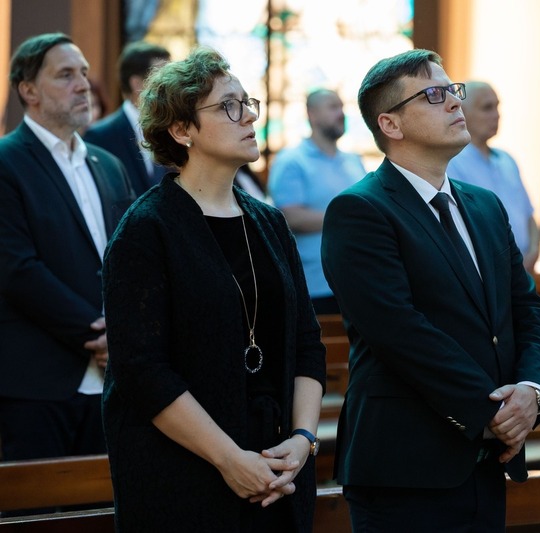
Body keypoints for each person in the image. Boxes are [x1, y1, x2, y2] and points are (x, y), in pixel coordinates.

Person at [321, 49, 540, 532]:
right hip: (407, 464)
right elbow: (399, 331)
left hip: (487, 456)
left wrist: (531, 393)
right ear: (391, 123)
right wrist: (491, 412)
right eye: (433, 94)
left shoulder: (485, 206)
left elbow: (527, 308)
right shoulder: (360, 210)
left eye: (453, 92)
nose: (454, 103)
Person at [101, 47, 325, 532]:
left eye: (248, 103)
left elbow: (307, 343)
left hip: (277, 464)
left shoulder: (269, 223)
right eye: (228, 105)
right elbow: (142, 371)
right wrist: (228, 459)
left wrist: (304, 438)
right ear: (181, 131)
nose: (247, 116)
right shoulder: (147, 228)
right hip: (184, 473)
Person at [0, 33, 135, 465]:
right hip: (37, 379)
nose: (82, 84)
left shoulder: (108, 164)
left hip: (113, 376)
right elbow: (17, 269)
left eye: (83, 73)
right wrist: (96, 333)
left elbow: (131, 258)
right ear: (28, 90)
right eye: (65, 75)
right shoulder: (6, 162)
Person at [269, 88, 365, 315]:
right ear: (311, 114)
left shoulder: (353, 160)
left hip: (359, 281)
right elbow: (290, 217)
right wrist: (350, 218)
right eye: (333, 107)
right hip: (316, 286)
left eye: (342, 107)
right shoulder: (292, 161)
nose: (341, 113)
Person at [447, 81, 540, 272]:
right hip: (487, 270)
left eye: (497, 106)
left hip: (524, 270)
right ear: (462, 111)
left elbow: (528, 215)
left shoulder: (507, 160)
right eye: (487, 108)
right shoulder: (452, 162)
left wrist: (532, 253)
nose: (497, 115)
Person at [84, 41, 172, 197]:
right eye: (162, 77)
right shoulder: (100, 136)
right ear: (137, 84)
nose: (171, 85)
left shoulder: (176, 129)